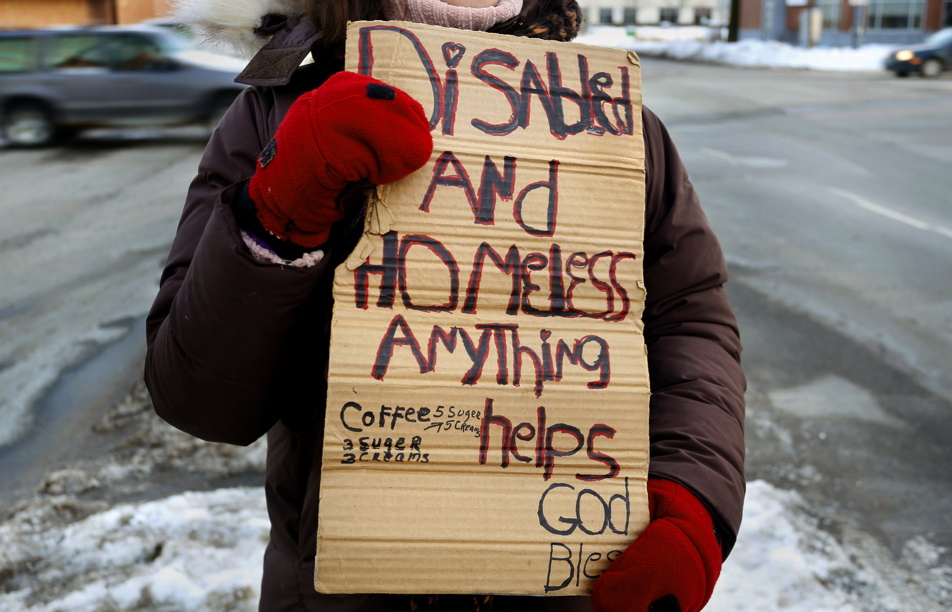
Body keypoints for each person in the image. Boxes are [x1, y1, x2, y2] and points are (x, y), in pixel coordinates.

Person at [148, 1, 746, 610]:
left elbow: (688, 316)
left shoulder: (613, 125)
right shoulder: (273, 118)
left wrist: (692, 496)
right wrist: (275, 209)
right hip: (341, 588)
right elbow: (200, 401)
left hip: (573, 572)